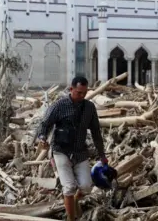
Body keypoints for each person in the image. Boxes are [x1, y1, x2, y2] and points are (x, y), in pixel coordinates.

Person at [37, 76, 107, 221]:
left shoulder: (89, 108)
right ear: (71, 89)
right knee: (68, 187)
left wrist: (102, 155)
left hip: (80, 152)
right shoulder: (59, 106)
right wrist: (42, 137)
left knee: (86, 186)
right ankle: (71, 218)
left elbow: (96, 132)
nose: (82, 96)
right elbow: (45, 124)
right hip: (61, 151)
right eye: (79, 92)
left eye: (85, 93)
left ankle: (74, 200)